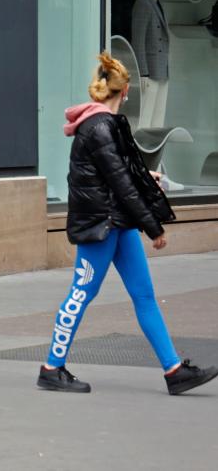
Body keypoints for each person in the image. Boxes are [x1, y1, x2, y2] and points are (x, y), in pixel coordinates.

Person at [37, 52, 217, 394]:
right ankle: (51, 366)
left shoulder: (103, 124)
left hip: (115, 222)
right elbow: (119, 181)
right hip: (101, 225)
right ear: (126, 91)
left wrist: (145, 176)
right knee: (81, 293)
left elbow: (118, 172)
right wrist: (154, 227)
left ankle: (174, 371)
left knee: (144, 295)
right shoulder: (100, 126)